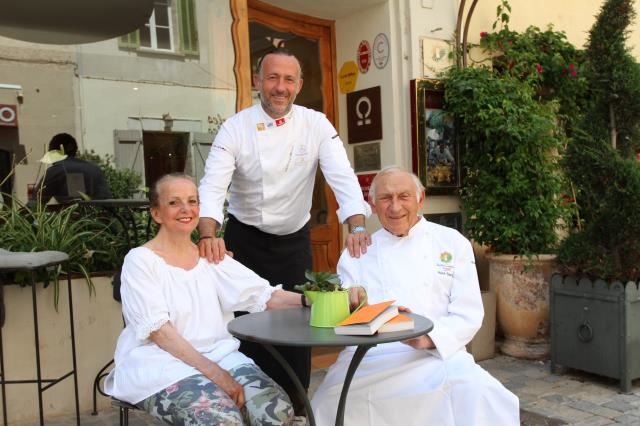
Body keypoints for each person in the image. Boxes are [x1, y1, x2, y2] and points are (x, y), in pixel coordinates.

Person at [197, 48, 371, 411]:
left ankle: (294, 404)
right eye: (273, 78)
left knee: (297, 327)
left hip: (294, 242)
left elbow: (341, 175)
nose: (280, 87)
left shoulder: (316, 123)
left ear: (299, 85)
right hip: (245, 241)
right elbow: (213, 185)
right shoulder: (235, 127)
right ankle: (249, 405)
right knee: (249, 329)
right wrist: (209, 234)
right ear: (258, 81)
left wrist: (356, 224)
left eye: (288, 79)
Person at [106, 173, 327, 425]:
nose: (186, 209)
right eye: (174, 202)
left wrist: (312, 300)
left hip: (221, 356)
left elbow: (265, 296)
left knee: (277, 413)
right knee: (221, 420)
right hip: (161, 365)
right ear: (156, 213)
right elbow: (159, 333)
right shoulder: (140, 261)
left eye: (192, 201)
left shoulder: (210, 256)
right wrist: (215, 374)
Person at [311, 166, 520, 426]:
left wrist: (428, 339)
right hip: (370, 359)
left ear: (420, 199)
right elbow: (341, 317)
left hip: (436, 354)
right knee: (326, 403)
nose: (395, 207)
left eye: (404, 196)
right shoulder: (358, 252)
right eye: (386, 198)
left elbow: (468, 313)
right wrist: (349, 302)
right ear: (373, 205)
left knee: (481, 392)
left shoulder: (452, 242)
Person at [31, 133, 112, 204]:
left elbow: (36, 203)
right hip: (105, 218)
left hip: (76, 219)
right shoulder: (95, 168)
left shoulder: (57, 170)